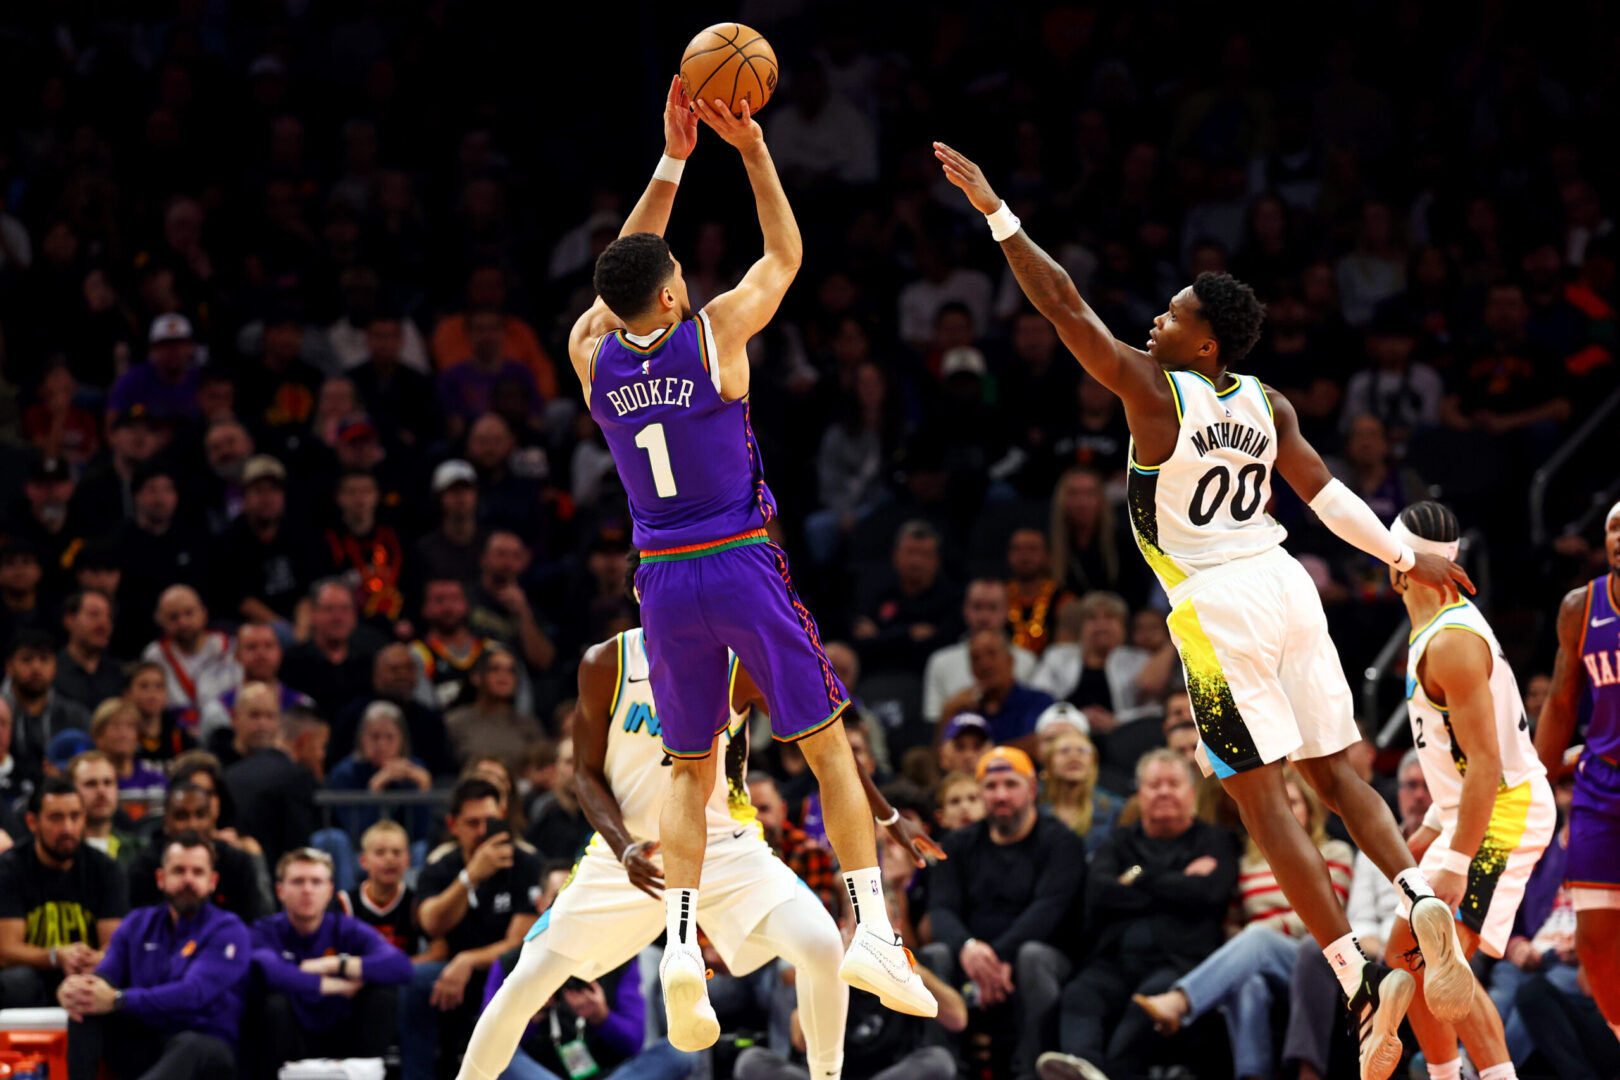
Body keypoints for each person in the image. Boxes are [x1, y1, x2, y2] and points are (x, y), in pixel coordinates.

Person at [936, 141, 1476, 1075]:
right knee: (1340, 778)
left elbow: (1063, 305)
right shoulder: (1268, 403)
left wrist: (998, 215)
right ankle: (1419, 897)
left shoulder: (1155, 392)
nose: (1158, 319)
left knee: (1261, 801)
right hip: (1288, 583)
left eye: (1177, 315)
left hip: (1217, 604)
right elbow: (1328, 498)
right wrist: (1407, 552)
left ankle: (1353, 976)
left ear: (1205, 344)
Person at [570, 79, 932, 1041]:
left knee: (690, 767)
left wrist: (671, 159)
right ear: (677, 291)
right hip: (737, 561)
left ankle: (681, 945)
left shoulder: (590, 351)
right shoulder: (712, 333)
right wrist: (751, 149)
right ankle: (876, 933)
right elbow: (786, 254)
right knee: (826, 749)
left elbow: (622, 271)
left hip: (660, 581)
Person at [457, 624, 937, 1080]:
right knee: (524, 982)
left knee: (822, 945)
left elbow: (826, 743)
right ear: (644, 587)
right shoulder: (609, 661)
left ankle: (826, 1075)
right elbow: (584, 772)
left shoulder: (737, 662)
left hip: (726, 850)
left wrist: (888, 815)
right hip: (630, 853)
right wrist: (623, 848)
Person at [1383, 502, 1556, 1080]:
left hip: (1506, 807)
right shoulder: (1434, 627)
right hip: (1470, 807)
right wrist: (1429, 832)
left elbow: (1485, 765)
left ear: (1400, 568)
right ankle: (1444, 1074)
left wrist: (1454, 862)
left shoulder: (1451, 642)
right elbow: (1459, 761)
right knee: (1402, 957)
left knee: (1441, 957)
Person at [1131, 771, 1355, 1080]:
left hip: (1319, 958)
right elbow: (1234, 924)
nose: (1286, 812)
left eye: (1293, 802)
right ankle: (1252, 1075)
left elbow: (1329, 914)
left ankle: (1181, 1000)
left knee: (1258, 939)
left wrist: (1262, 932)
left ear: (1309, 810)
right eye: (1280, 804)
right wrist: (1248, 944)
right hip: (1262, 959)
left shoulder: (1334, 852)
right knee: (1247, 982)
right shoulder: (1249, 861)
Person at [1035, 750, 1239, 1080]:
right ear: (1139, 794)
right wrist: (1179, 881)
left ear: (1191, 794)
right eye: (1154, 784)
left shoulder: (1214, 839)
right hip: (1113, 961)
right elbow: (1101, 892)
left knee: (1142, 1010)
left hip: (1179, 962)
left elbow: (1208, 893)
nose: (1163, 791)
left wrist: (1136, 877)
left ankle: (1102, 1074)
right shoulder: (1119, 840)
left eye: (1173, 783)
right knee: (1079, 995)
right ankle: (1082, 1069)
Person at [923, 746, 1086, 1079]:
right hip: (973, 958)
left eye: (1011, 785)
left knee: (1032, 957)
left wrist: (995, 958)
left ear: (1032, 789)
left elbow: (1049, 911)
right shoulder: (958, 844)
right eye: (991, 786)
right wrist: (969, 948)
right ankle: (943, 1068)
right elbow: (940, 908)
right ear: (980, 792)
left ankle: (1033, 1071)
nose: (1001, 795)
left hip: (1042, 955)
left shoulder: (1060, 842)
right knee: (934, 955)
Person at [1535, 498, 1620, 1046]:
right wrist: (1537, 781)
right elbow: (1563, 704)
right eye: (1615, 527)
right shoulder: (1579, 607)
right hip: (1601, 784)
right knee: (1593, 944)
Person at [60, 831, 247, 1080]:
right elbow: (107, 977)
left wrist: (119, 999)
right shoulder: (138, 922)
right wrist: (75, 990)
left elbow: (193, 993)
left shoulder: (228, 929)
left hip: (205, 1043)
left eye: (197, 872)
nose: (188, 880)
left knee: (190, 1045)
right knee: (85, 1007)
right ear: (161, 878)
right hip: (146, 1039)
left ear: (213, 881)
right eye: (179, 871)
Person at [404, 777, 542, 1080]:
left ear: (503, 818)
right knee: (415, 982)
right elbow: (431, 922)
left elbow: (519, 942)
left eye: (490, 821)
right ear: (453, 825)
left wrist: (467, 960)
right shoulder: (441, 864)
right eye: (473, 823)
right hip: (450, 975)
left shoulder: (525, 863)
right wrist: (470, 877)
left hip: (506, 971)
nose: (482, 831)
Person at [250, 847, 413, 1074]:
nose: (307, 890)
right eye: (298, 881)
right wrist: (335, 985)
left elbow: (401, 966)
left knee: (384, 994)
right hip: (291, 1035)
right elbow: (268, 971)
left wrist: (335, 964)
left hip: (345, 1033)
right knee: (274, 1002)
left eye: (316, 882)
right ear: (280, 891)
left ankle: (366, 1074)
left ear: (329, 890)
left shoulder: (345, 927)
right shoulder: (265, 930)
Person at [0, 778, 128, 1006]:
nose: (67, 828)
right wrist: (55, 956)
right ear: (32, 822)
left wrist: (96, 959)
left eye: (75, 816)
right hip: (33, 981)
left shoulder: (107, 869)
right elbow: (6, 951)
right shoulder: (9, 868)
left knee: (115, 977)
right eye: (56, 818)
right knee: (19, 981)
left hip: (87, 976)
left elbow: (114, 944)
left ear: (84, 819)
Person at [128, 782, 270, 924]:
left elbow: (253, 923)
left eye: (200, 815)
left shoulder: (238, 863)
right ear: (166, 822)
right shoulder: (143, 866)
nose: (192, 824)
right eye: (182, 816)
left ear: (212, 820)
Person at [922, 579, 1038, 725]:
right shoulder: (940, 661)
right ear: (965, 610)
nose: (984, 617)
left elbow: (1034, 717)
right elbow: (933, 721)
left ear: (1007, 611)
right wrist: (951, 708)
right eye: (977, 607)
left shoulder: (1026, 659)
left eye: (992, 608)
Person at [223, 705, 324, 868]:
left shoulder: (231, 772)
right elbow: (299, 846)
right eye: (321, 746)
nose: (322, 755)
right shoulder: (298, 777)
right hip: (273, 876)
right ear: (304, 741)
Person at [281, 579, 385, 721]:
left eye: (345, 609)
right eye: (329, 609)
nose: (338, 617)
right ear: (313, 614)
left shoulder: (370, 659)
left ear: (354, 616)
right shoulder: (292, 662)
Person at [327, 702, 433, 838]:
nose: (382, 745)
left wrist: (423, 791)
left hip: (404, 850)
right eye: (375, 736)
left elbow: (422, 834)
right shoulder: (344, 773)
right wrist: (375, 788)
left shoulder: (415, 770)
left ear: (402, 740)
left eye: (389, 737)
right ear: (361, 738)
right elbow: (355, 833)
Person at [142, 585, 238, 735]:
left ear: (204, 613)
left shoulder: (229, 648)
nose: (183, 622)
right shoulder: (154, 655)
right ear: (160, 621)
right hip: (177, 734)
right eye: (173, 617)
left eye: (189, 613)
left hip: (227, 731)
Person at [198, 621, 314, 742]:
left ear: (280, 652)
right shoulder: (217, 712)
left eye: (268, 646)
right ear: (237, 655)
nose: (261, 654)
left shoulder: (303, 707)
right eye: (251, 647)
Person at [938, 630, 1055, 751]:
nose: (984, 664)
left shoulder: (1038, 702)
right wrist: (948, 712)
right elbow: (944, 760)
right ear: (971, 670)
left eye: (991, 653)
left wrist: (985, 754)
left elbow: (1040, 744)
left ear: (1010, 661)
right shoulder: (967, 711)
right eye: (976, 658)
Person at [3, 629, 92, 782]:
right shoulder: (2, 711)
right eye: (26, 660)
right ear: (9, 666)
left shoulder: (75, 716)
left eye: (44, 659)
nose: (36, 667)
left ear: (54, 666)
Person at [444, 646, 543, 769]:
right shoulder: (454, 722)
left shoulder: (530, 725)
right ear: (476, 677)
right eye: (495, 669)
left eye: (511, 670)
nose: (503, 675)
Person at [346, 820, 423, 956]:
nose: (389, 858)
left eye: (397, 852)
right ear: (363, 861)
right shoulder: (345, 903)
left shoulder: (417, 903)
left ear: (408, 861)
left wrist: (397, 968)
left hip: (403, 976)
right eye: (380, 852)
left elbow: (439, 952)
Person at [1040, 727, 1121, 855]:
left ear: (1093, 762)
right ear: (1048, 763)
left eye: (1083, 750)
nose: (1074, 756)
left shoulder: (1115, 810)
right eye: (1064, 751)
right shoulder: (1033, 808)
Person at [1005, 528, 1073, 656]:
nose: (1025, 556)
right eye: (1018, 549)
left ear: (1048, 556)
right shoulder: (999, 598)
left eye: (1033, 549)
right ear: (1009, 555)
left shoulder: (1064, 601)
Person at [523, 735, 591, 861]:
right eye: (570, 762)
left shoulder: (600, 815)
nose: (578, 768)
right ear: (554, 769)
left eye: (583, 761)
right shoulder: (541, 812)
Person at [54, 589, 124, 711]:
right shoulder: (51, 673)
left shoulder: (119, 674)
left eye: (108, 616)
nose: (104, 624)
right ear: (69, 620)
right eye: (94, 614)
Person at [69, 751, 139, 864]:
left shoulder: (138, 849)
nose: (101, 791)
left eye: (108, 782)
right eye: (91, 783)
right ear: (72, 791)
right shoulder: (62, 850)